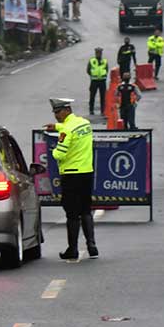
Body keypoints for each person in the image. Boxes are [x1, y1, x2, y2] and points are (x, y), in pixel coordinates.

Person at [44, 98, 97, 260]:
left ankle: (72, 250)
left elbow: (59, 154)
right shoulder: (84, 123)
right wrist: (58, 127)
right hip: (87, 172)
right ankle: (92, 246)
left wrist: (53, 150)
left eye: (58, 112)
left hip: (71, 175)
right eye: (54, 113)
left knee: (72, 213)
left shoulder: (66, 131)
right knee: (86, 210)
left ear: (67, 110)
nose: (56, 116)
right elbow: (69, 127)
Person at [87, 47, 108, 116]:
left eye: (100, 53)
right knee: (92, 96)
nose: (98, 54)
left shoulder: (104, 61)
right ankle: (91, 110)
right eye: (97, 53)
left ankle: (103, 111)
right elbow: (88, 70)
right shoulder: (92, 61)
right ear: (95, 53)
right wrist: (93, 75)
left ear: (101, 54)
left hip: (102, 81)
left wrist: (103, 76)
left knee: (103, 97)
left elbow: (106, 69)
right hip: (94, 81)